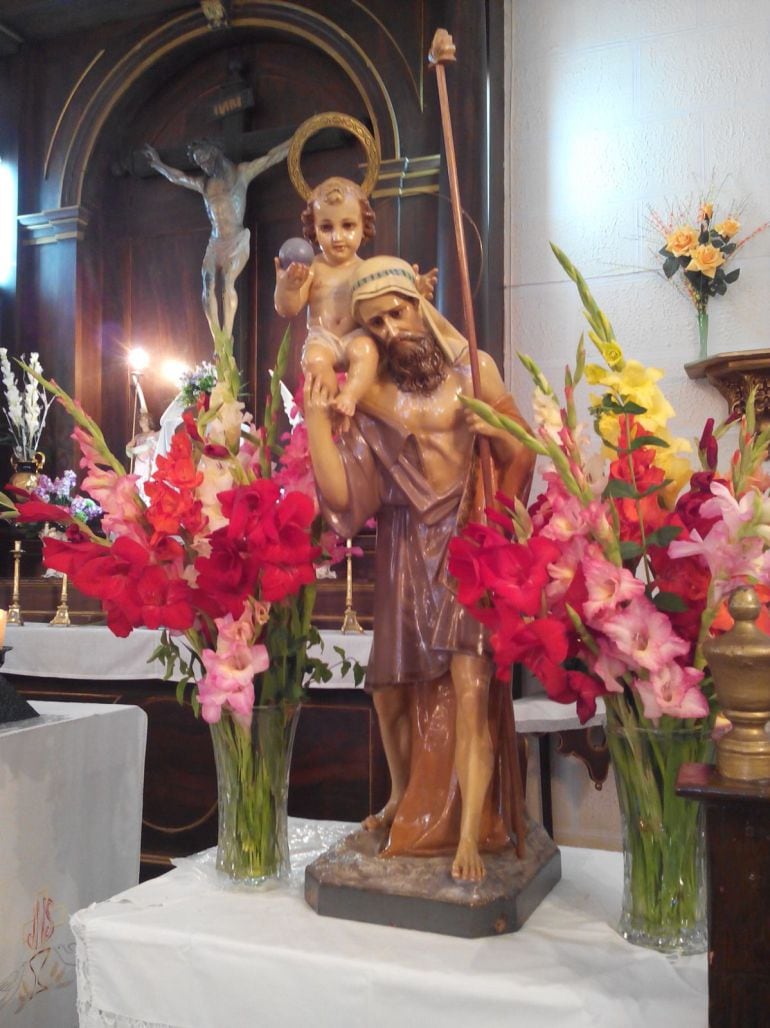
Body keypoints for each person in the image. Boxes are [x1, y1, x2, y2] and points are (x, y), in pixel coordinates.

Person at [303, 256, 535, 881]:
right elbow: (345, 499)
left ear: (421, 304)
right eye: (376, 322)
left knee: (469, 692)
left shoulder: (474, 369)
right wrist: (318, 412)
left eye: (398, 311)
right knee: (388, 690)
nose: (392, 328)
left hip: (464, 539)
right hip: (405, 545)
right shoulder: (373, 391)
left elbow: (521, 453)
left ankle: (470, 826)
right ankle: (404, 796)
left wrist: (496, 491)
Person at [274, 177, 437, 417]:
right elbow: (288, 309)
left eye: (348, 226)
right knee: (314, 360)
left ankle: (350, 396)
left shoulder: (368, 270)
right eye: (327, 227)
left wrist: (416, 289)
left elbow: (395, 297)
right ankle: (329, 413)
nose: (337, 237)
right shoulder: (312, 269)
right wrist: (287, 287)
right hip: (323, 336)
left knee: (366, 351)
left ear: (364, 226)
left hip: (355, 335)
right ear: (314, 230)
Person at [143, 137, 290, 339]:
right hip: (216, 241)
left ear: (215, 153)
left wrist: (300, 136)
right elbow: (178, 177)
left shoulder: (242, 173)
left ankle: (226, 337)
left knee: (228, 281)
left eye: (205, 159)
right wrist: (158, 164)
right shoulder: (204, 184)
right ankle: (217, 338)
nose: (203, 166)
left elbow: (272, 157)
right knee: (207, 280)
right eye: (199, 163)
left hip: (237, 239)